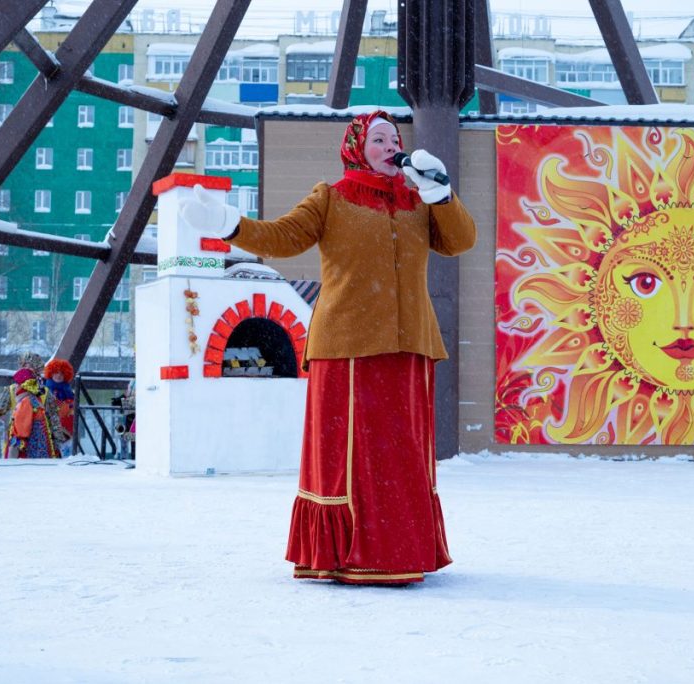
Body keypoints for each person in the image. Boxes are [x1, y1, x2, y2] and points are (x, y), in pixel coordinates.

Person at [181, 110, 477, 585]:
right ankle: (350, 553)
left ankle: (401, 549)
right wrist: (228, 224)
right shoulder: (332, 198)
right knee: (353, 458)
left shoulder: (418, 201)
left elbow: (461, 240)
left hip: (410, 347)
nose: (389, 146)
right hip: (348, 346)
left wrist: (440, 192)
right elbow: (282, 237)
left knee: (400, 456)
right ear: (357, 148)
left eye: (394, 139)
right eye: (378, 139)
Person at [0, 352, 66, 458]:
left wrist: (57, 442)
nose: (27, 369)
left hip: (36, 441)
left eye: (31, 366)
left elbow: (53, 418)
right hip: (21, 440)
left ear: (37, 370)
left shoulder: (44, 392)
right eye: (25, 365)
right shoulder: (13, 390)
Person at [5, 367, 58, 459]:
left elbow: (22, 430)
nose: (15, 387)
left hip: (28, 452)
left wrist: (14, 449)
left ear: (23, 385)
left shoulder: (26, 402)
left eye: (17, 384)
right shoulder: (35, 399)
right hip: (39, 449)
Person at [43, 358, 75, 456]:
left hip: (64, 426)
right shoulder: (44, 389)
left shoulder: (69, 391)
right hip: (47, 425)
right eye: (56, 372)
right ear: (51, 373)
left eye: (62, 373)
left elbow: (71, 410)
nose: (59, 375)